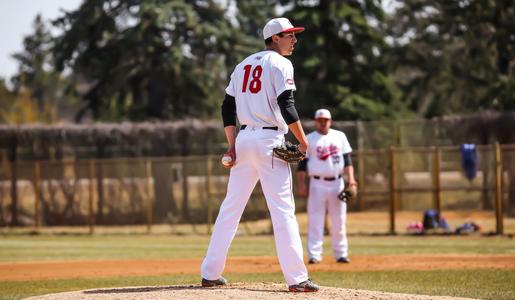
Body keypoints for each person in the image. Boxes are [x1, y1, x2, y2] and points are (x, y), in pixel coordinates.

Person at [200, 17, 319, 292]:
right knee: (283, 211)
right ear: (275, 38)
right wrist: (303, 141)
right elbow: (286, 104)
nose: (294, 39)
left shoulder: (242, 65)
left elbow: (227, 108)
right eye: (289, 35)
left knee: (230, 209)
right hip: (270, 141)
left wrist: (231, 145)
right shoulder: (280, 63)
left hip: (244, 140)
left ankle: (210, 272)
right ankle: (297, 278)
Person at [297, 109, 357, 264]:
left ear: (330, 121)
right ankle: (314, 255)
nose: (323, 122)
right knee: (315, 220)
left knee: (339, 220)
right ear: (316, 121)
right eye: (320, 120)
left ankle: (341, 254)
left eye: (326, 120)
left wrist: (351, 181)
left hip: (338, 183)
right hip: (317, 184)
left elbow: (348, 161)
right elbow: (302, 165)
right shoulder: (309, 139)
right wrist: (302, 184)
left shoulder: (340, 136)